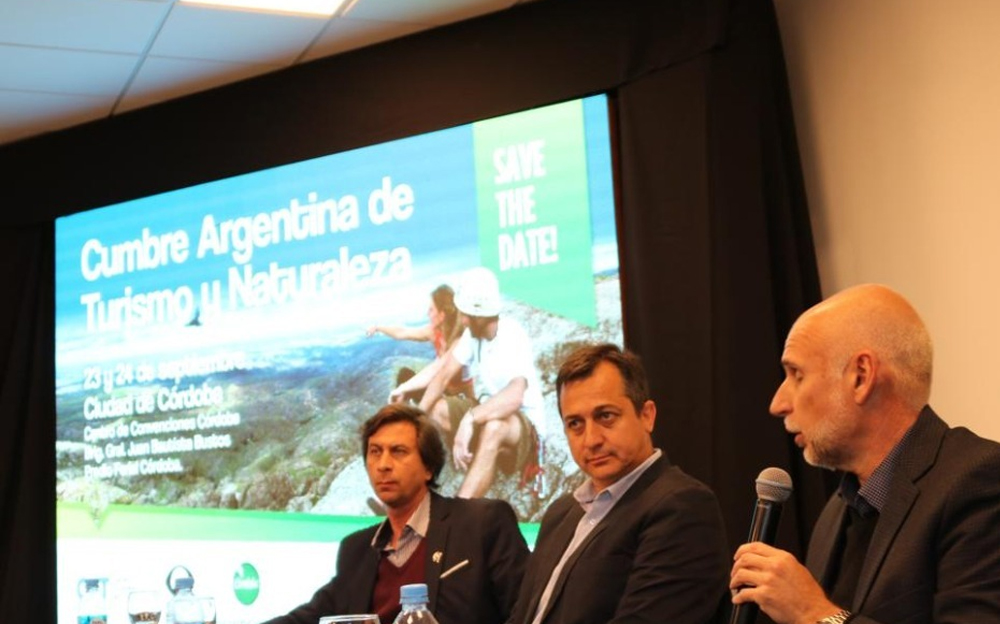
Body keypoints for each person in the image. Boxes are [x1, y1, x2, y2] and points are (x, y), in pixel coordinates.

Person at [729, 284, 1000, 624]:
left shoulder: (978, 482)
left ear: (861, 376)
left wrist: (815, 614)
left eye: (797, 375)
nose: (778, 404)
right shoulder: (834, 513)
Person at [507, 343, 730, 624]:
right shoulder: (560, 513)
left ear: (647, 415)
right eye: (575, 424)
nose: (591, 440)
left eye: (605, 416)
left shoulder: (682, 506)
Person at [262, 403, 529, 624]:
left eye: (398, 451)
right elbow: (309, 617)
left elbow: (529, 612)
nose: (383, 465)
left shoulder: (482, 523)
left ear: (428, 467)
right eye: (375, 452)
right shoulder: (357, 550)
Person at [413, 266, 545, 499]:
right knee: (436, 409)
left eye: (466, 314)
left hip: (523, 424)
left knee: (494, 427)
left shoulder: (511, 336)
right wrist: (413, 420)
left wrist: (470, 419)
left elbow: (515, 396)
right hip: (489, 409)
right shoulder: (472, 335)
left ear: (481, 316)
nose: (462, 320)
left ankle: (458, 511)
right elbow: (443, 376)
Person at [369, 284, 474, 402]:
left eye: (431, 309)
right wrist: (379, 328)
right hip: (441, 389)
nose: (427, 313)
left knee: (409, 388)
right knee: (405, 375)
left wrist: (403, 388)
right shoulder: (434, 332)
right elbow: (402, 332)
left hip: (460, 398)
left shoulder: (459, 340)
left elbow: (436, 368)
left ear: (442, 315)